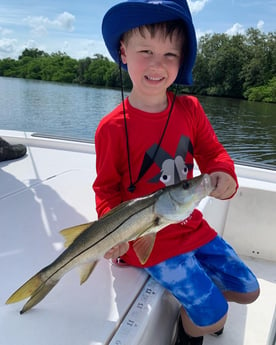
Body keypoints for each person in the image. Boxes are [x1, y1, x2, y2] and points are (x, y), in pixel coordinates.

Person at [93, 1, 260, 344]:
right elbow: (107, 191)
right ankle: (191, 332)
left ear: (182, 60)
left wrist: (223, 176)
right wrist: (114, 233)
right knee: (213, 314)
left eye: (170, 54)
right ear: (123, 53)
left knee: (249, 290)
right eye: (146, 51)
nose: (158, 64)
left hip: (189, 222)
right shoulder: (110, 128)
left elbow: (213, 153)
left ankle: (196, 307)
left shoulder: (190, 109)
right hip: (147, 238)